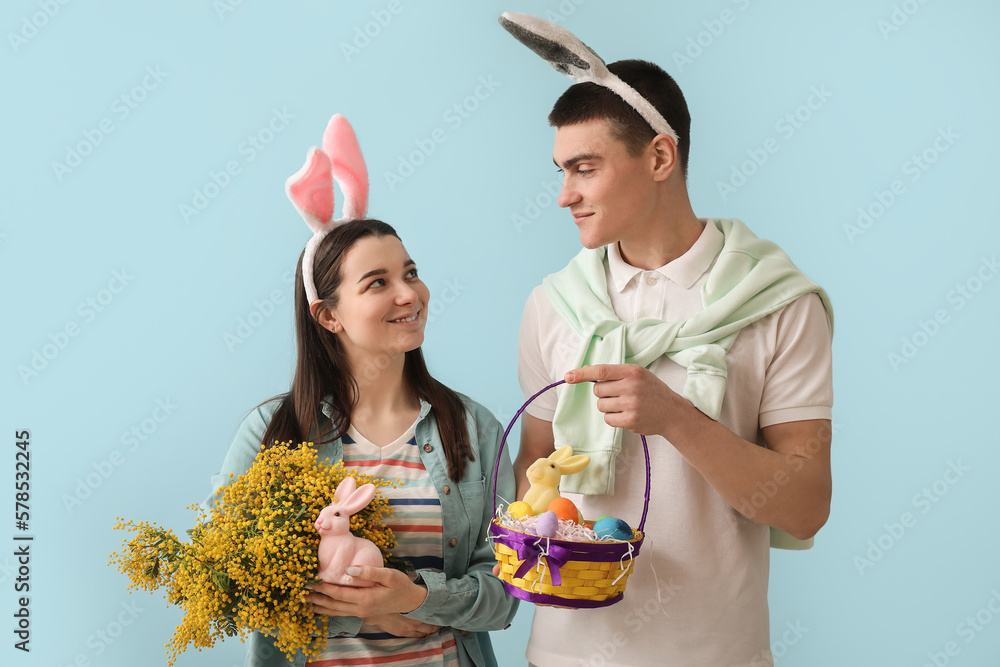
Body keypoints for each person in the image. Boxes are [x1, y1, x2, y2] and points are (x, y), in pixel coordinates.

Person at [504, 17, 834, 667]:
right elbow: (534, 464)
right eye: (561, 170)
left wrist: (676, 419)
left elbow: (805, 506)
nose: (564, 194)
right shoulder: (553, 305)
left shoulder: (777, 303)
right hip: (566, 654)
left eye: (584, 168)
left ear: (659, 156)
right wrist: (530, 525)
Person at [204, 115, 517, 667]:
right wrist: (375, 611)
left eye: (410, 272)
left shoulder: (472, 428)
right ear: (327, 316)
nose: (409, 294)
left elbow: (508, 590)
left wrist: (418, 599)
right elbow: (223, 571)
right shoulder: (274, 433)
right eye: (378, 283)